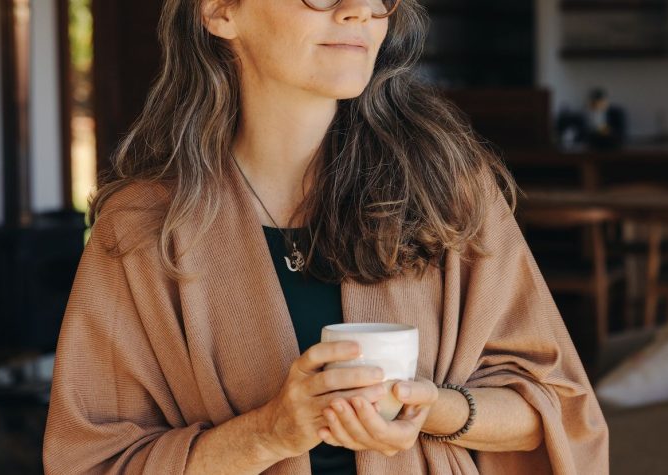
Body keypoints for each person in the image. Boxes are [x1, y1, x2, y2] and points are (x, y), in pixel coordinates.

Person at [42, 0, 609, 474]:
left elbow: (557, 407)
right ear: (219, 11)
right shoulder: (144, 226)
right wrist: (270, 433)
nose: (359, 9)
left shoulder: (447, 188)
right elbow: (93, 461)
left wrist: (433, 407)